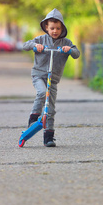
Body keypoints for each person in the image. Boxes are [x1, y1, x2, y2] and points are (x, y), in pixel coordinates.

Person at [22, 8, 80, 147]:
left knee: (51, 108)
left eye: (58, 28)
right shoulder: (41, 39)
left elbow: (77, 53)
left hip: (53, 79)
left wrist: (69, 50)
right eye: (52, 28)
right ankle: (34, 117)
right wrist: (36, 46)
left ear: (62, 29)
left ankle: (48, 136)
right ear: (46, 28)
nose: (55, 31)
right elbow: (25, 45)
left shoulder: (66, 42)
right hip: (39, 74)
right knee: (42, 93)